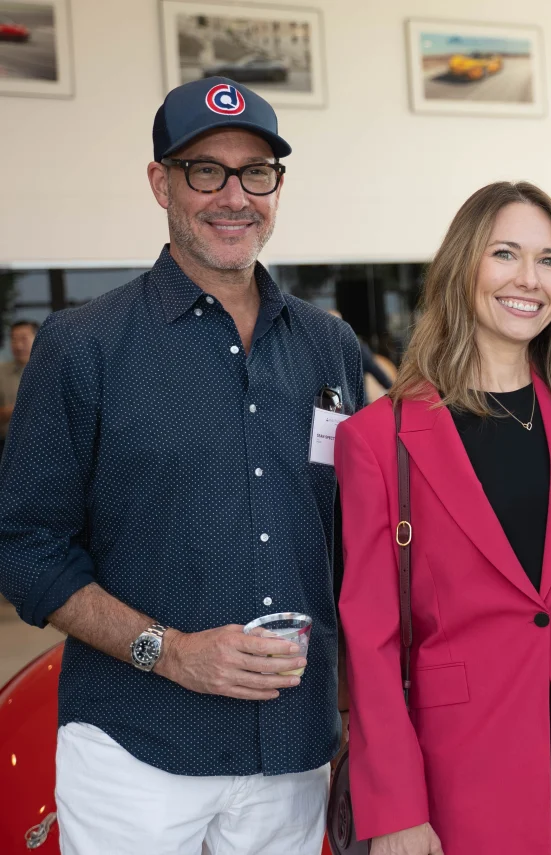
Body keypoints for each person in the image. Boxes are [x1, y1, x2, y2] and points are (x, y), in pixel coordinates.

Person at [0, 77, 364, 853]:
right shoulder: (82, 347)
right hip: (135, 750)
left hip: (291, 749)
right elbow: (25, 549)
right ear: (161, 182)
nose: (234, 196)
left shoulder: (330, 348)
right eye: (207, 170)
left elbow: (354, 535)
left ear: (277, 188)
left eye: (255, 173)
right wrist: (168, 651)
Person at [335, 181, 551, 855]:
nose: (529, 279)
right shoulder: (378, 440)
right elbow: (372, 643)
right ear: (463, 266)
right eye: (505, 253)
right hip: (461, 779)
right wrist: (393, 809)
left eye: (549, 259)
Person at [0, 319, 37, 459]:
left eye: (24, 339)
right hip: (6, 446)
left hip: (44, 444)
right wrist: (14, 410)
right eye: (14, 339)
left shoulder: (50, 371)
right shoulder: (1, 372)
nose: (19, 345)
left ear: (37, 338)